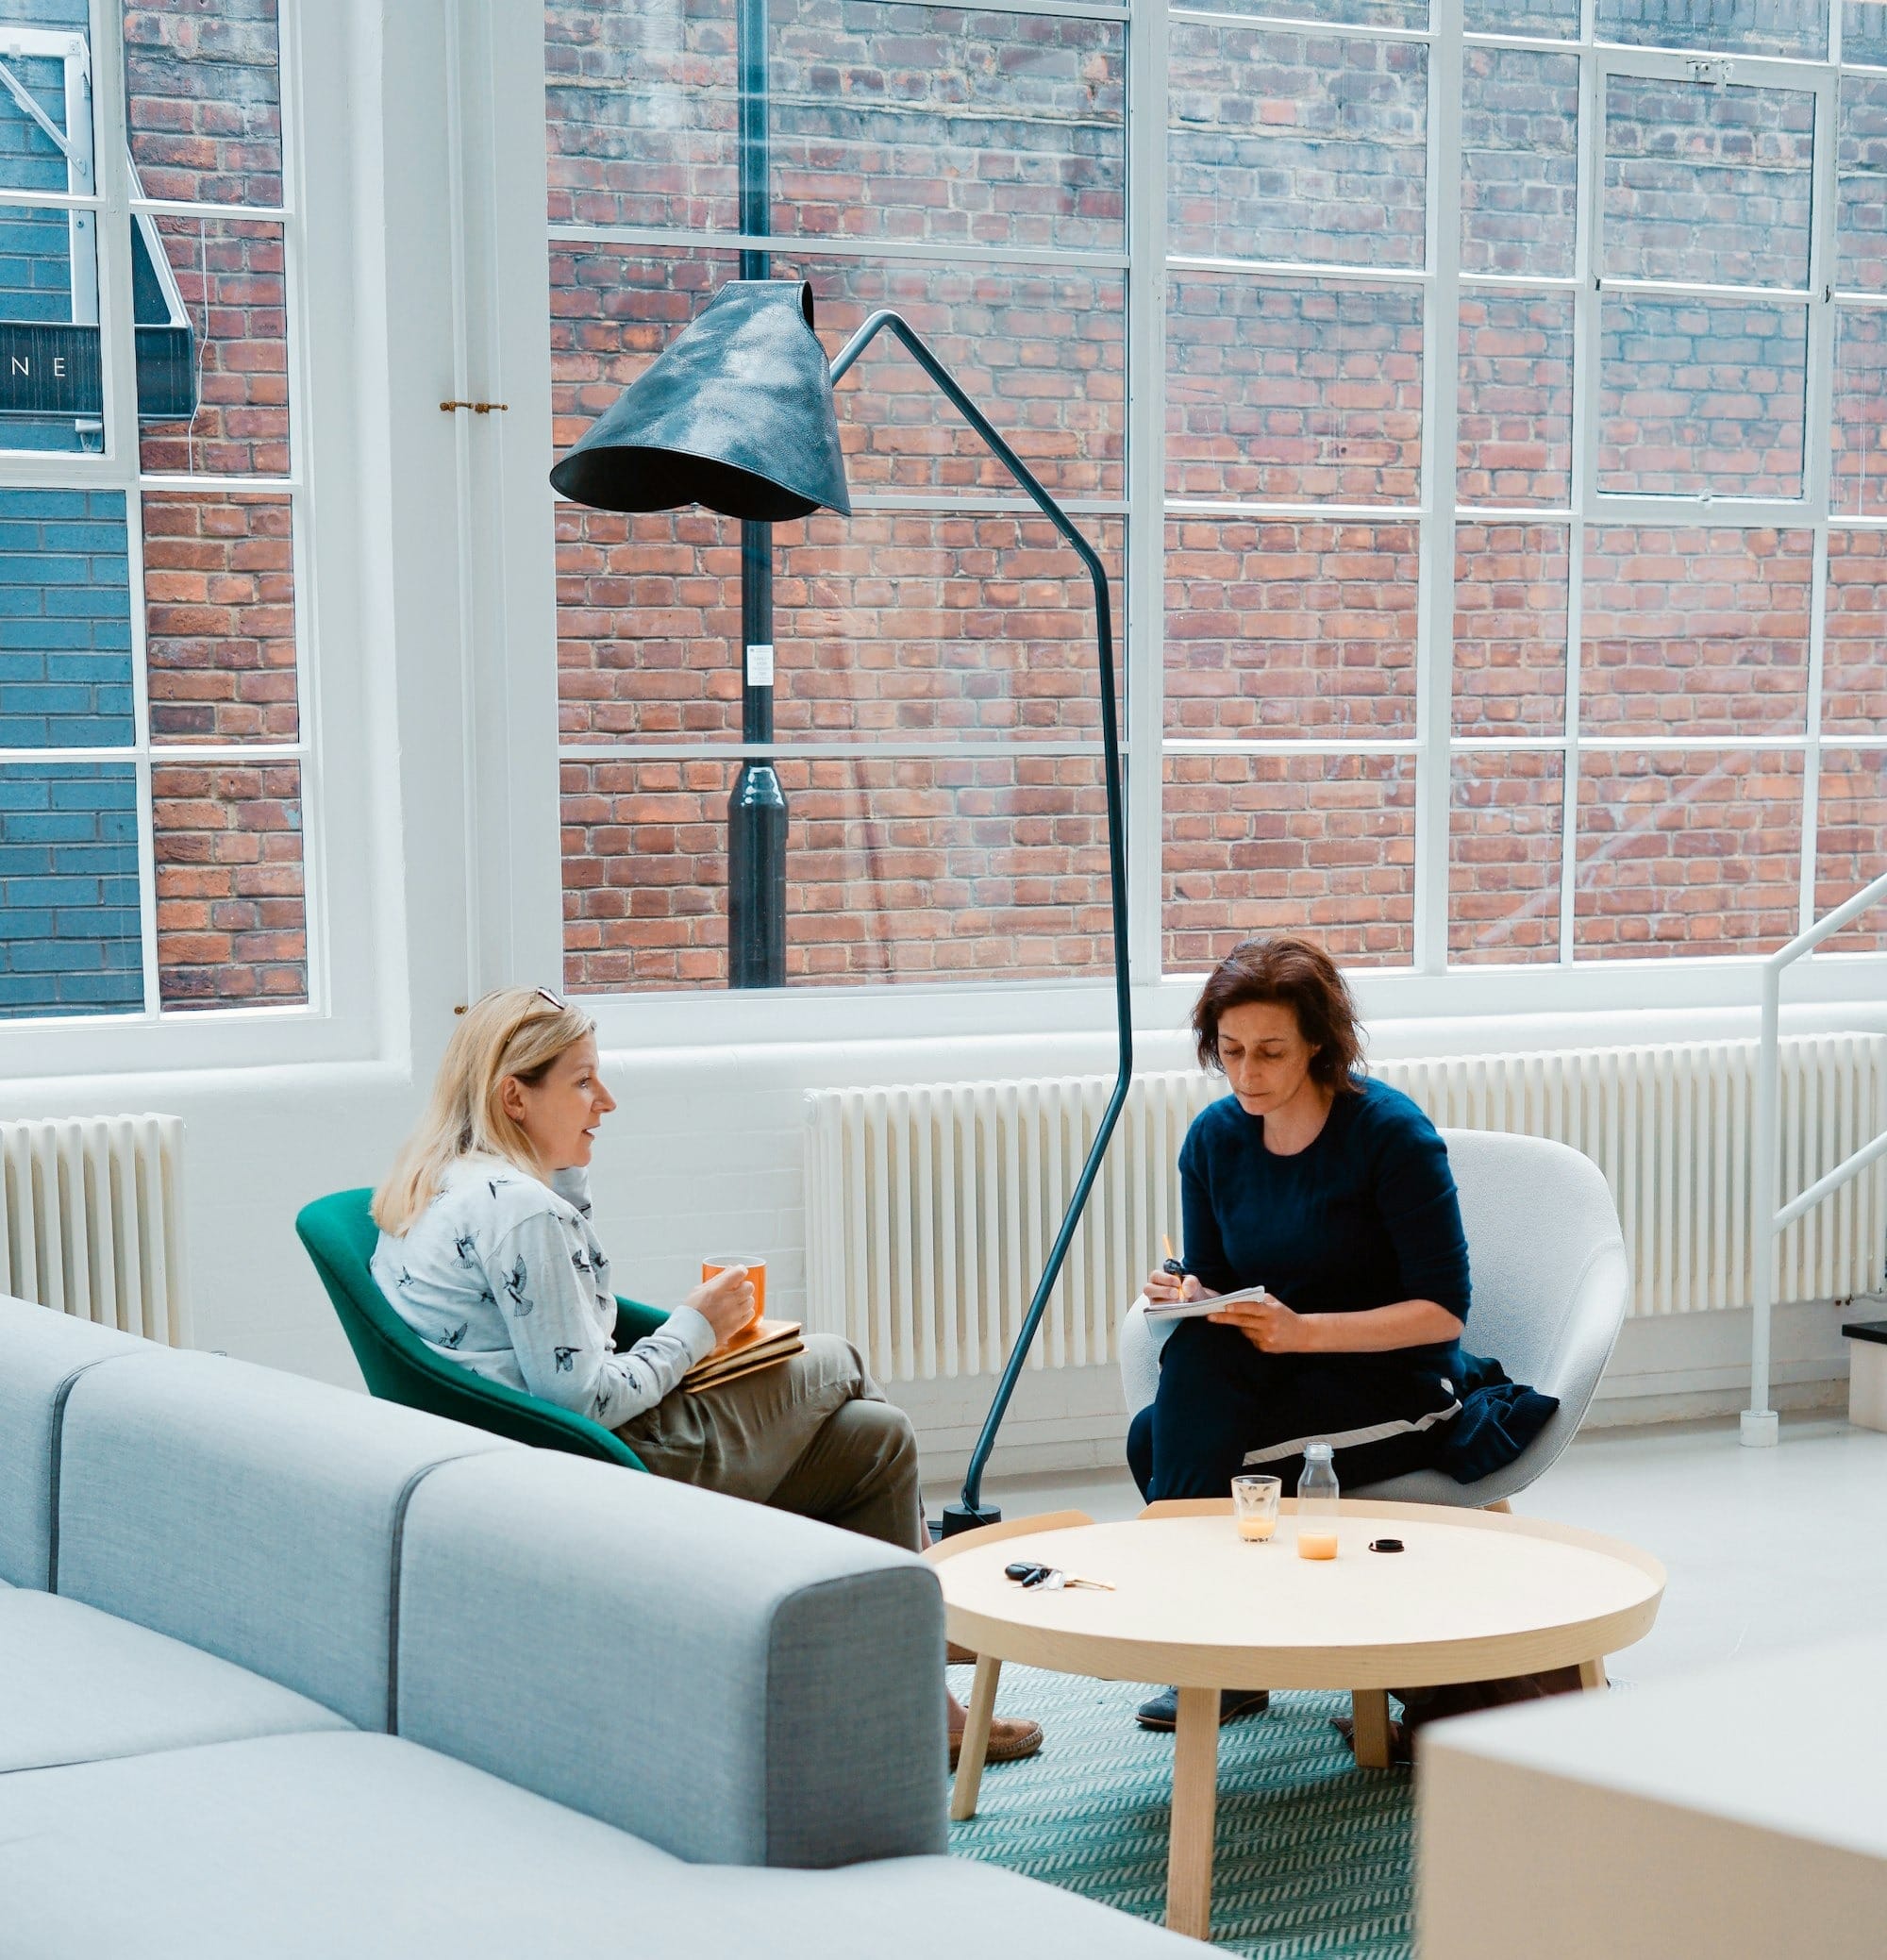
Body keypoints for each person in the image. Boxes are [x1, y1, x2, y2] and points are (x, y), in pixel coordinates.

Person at [371, 984, 1041, 1767]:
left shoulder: (453, 1183)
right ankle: (935, 1617)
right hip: (610, 1466)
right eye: (583, 1080)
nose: (607, 1100)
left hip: (542, 1460)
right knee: (838, 1357)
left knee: (877, 1438)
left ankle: (917, 1699)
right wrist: (696, 1326)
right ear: (514, 1095)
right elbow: (580, 1395)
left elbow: (567, 1335)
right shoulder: (525, 1214)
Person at [1127, 935, 1472, 1734]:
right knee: (1167, 1417)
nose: (1247, 1073)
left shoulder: (1389, 1134)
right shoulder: (1214, 1139)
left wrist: (1300, 1331)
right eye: (1231, 1050)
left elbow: (1444, 1310)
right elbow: (1215, 1279)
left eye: (1271, 1051)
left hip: (1398, 1383)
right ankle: (1223, 1649)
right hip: (1281, 1372)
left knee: (1162, 1445)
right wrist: (1187, 1291)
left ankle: (1208, 1647)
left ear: (1318, 1040)